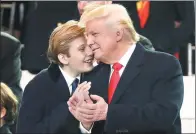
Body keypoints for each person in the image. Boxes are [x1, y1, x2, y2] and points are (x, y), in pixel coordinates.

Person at [68, 4, 184, 134]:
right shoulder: (92, 74)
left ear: (118, 34)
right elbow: (97, 127)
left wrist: (108, 113)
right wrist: (86, 122)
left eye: (94, 34)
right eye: (87, 36)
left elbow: (163, 115)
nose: (89, 42)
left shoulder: (163, 65)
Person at [17, 20, 95, 133]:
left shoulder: (97, 78)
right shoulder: (38, 86)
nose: (90, 52)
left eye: (90, 46)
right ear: (63, 58)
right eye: (82, 49)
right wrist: (70, 106)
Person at [77, 1, 155, 51]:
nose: (81, 6)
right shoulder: (72, 42)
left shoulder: (139, 45)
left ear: (108, 1)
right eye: (78, 1)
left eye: (89, 0)